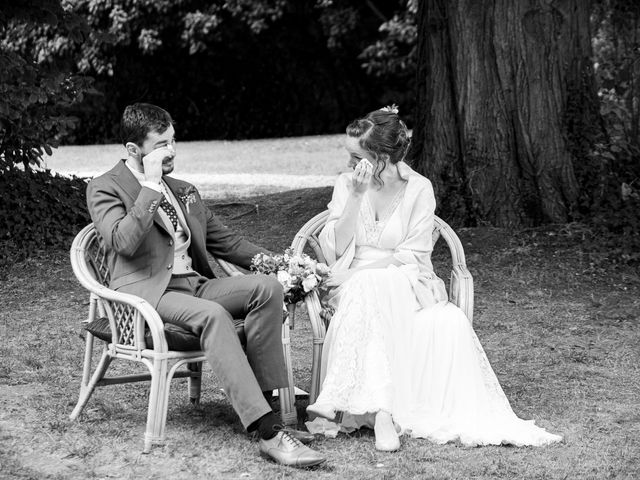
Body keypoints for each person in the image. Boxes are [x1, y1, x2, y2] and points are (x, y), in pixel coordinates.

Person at [305, 105, 562, 451]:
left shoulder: (419, 188)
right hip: (350, 283)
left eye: (356, 157)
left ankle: (343, 400)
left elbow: (411, 256)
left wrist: (357, 274)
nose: (350, 164)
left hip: (405, 280)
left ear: (380, 158)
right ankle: (382, 413)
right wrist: (355, 196)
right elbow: (334, 247)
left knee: (371, 284)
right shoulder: (346, 184)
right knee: (366, 290)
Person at [86, 103, 325, 467]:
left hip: (193, 285)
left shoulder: (182, 190)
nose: (173, 151)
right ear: (134, 150)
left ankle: (266, 405)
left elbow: (227, 243)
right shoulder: (104, 187)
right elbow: (123, 242)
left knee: (266, 289)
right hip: (147, 295)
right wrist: (150, 186)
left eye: (174, 140)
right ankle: (269, 433)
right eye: (162, 144)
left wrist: (287, 265)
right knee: (213, 315)